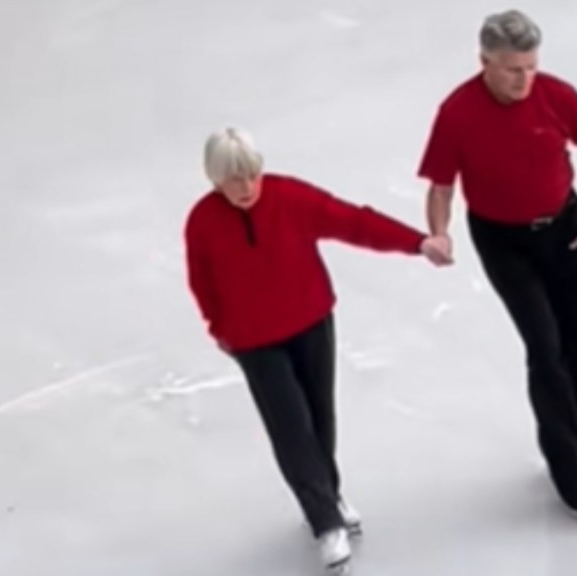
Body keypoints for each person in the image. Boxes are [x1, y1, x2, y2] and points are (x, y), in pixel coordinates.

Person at [183, 127, 452, 571]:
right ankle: (325, 522)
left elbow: (352, 221)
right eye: (235, 180)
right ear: (215, 179)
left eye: (252, 175)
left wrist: (417, 242)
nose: (247, 188)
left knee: (319, 418)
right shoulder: (202, 222)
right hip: (255, 342)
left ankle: (329, 494)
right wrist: (220, 328)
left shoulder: (289, 198)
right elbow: (202, 280)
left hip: (311, 323)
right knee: (290, 428)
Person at [415, 9, 577, 517]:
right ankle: (563, 462)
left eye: (531, 67)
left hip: (564, 229)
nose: (524, 79)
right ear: (484, 61)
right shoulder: (458, 112)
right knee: (544, 345)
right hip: (503, 241)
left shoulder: (555, 96)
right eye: (513, 69)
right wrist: (439, 233)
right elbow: (442, 187)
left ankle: (572, 433)